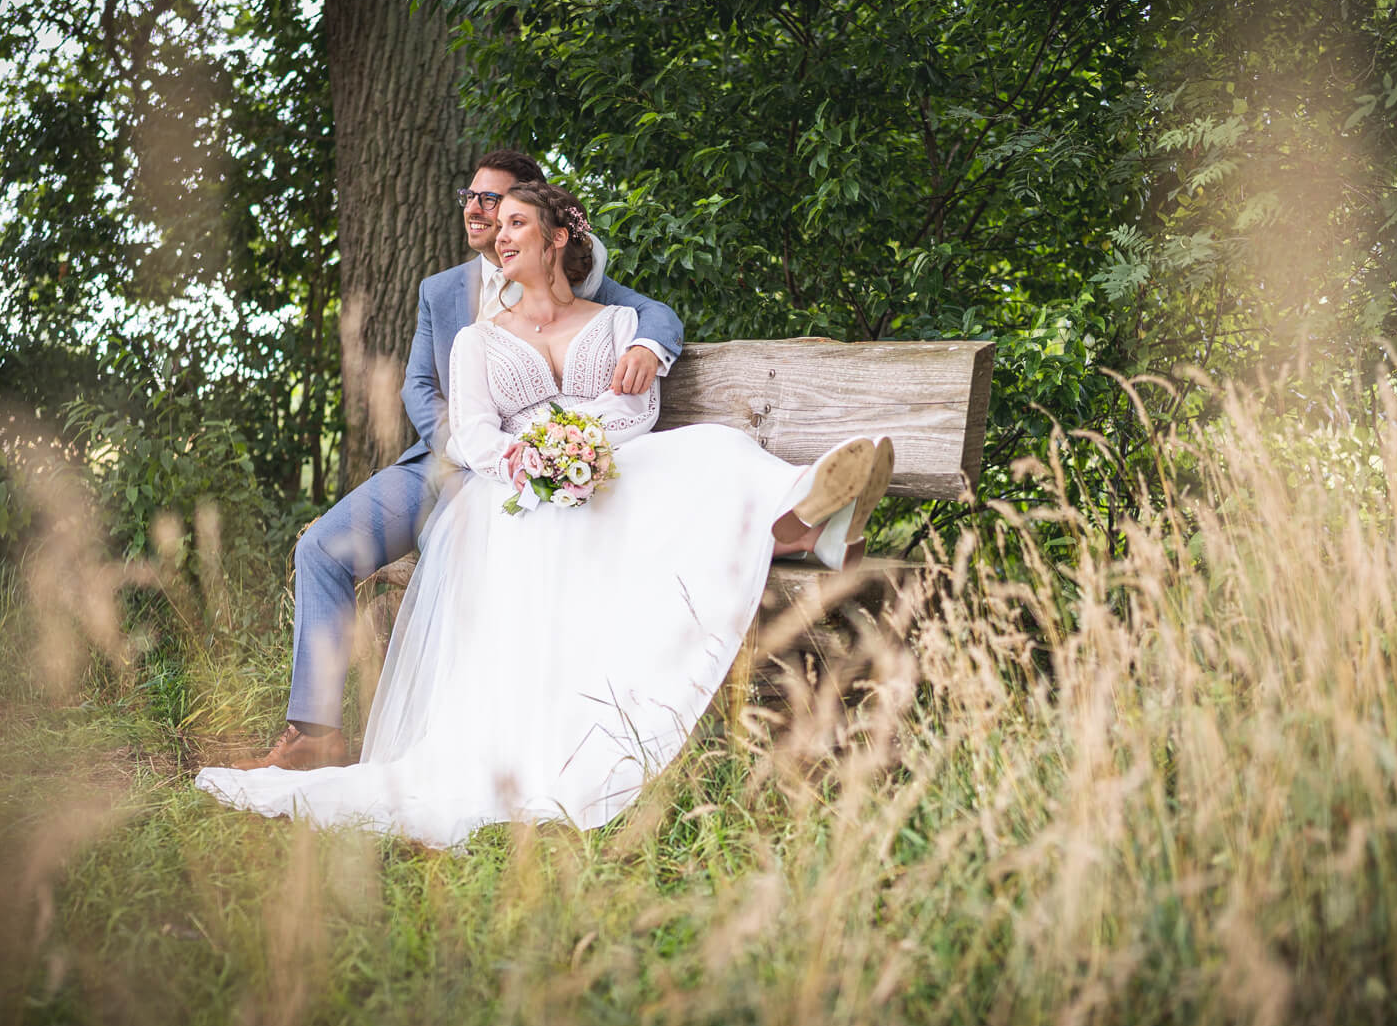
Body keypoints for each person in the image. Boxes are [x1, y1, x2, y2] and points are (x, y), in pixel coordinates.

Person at [197, 183, 894, 848]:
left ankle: (815, 506)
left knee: (713, 446)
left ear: (560, 236)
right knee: (577, 516)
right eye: (495, 228)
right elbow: (472, 433)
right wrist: (540, 460)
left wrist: (584, 450)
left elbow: (636, 410)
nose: (500, 236)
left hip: (608, 467)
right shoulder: (477, 341)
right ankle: (819, 532)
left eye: (516, 224)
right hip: (513, 492)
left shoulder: (621, 323)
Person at [233, 150, 684, 772]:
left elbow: (652, 314)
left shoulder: (573, 273)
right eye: (470, 198)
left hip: (553, 464)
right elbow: (420, 387)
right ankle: (314, 733)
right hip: (445, 463)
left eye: (492, 201)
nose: (477, 211)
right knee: (321, 550)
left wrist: (648, 346)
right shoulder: (441, 292)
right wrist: (474, 449)